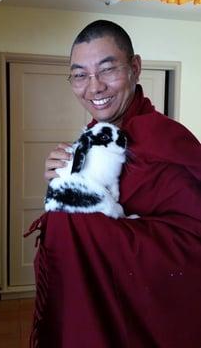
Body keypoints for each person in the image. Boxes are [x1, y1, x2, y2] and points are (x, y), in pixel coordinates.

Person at [29, 20, 201, 348]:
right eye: (80, 75)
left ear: (135, 68)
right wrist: (61, 188)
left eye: (107, 70)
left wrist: (79, 224)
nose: (94, 88)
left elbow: (192, 246)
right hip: (93, 301)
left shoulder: (166, 140)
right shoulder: (90, 142)